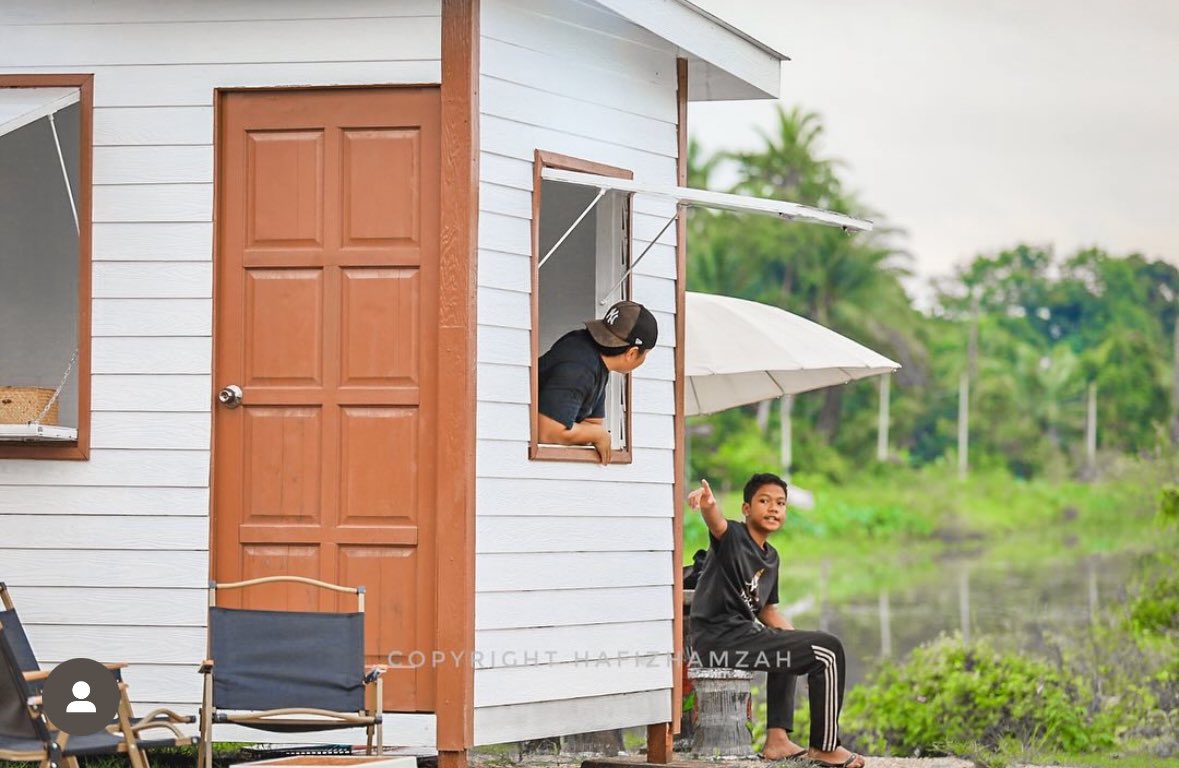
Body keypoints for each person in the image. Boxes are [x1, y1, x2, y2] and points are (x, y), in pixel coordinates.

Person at [688, 473, 865, 768]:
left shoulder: (772, 557)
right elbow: (716, 522)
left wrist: (799, 641)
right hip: (719, 639)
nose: (773, 508)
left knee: (789, 642)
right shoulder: (734, 537)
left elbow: (768, 612)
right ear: (746, 509)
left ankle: (777, 741)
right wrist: (708, 504)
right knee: (830, 649)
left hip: (742, 635)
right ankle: (825, 746)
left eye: (780, 503)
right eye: (764, 501)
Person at [536, 300, 657, 464]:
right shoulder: (580, 367)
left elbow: (592, 423)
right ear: (632, 353)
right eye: (646, 354)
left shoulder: (596, 359)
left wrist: (593, 432)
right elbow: (548, 432)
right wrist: (598, 435)